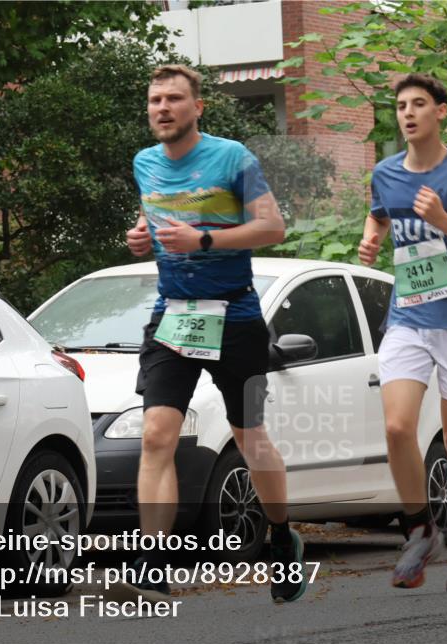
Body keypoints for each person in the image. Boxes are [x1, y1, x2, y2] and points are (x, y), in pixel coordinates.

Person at [120, 64, 306, 604]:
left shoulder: (232, 159)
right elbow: (153, 219)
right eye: (155, 100)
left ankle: (279, 536)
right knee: (156, 434)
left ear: (196, 108)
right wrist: (140, 236)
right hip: (173, 314)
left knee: (250, 438)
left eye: (174, 99)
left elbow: (273, 228)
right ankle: (154, 561)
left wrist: (203, 240)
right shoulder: (145, 162)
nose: (163, 108)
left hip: (235, 316)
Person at [359, 73, 447, 591]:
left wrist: (443, 219)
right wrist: (370, 239)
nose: (408, 113)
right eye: (401, 105)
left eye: (419, 103)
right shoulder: (385, 173)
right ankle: (419, 527)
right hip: (408, 316)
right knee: (398, 427)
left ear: (440, 111)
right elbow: (380, 215)